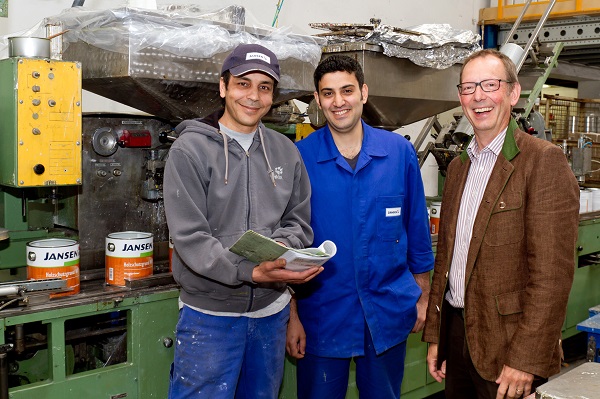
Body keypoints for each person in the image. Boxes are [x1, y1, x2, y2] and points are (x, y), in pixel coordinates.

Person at [164, 43, 322, 399]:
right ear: (223, 87)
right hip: (209, 316)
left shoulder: (285, 151)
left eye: (264, 87)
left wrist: (286, 249)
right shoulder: (190, 150)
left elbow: (298, 220)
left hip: (271, 313)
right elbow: (190, 237)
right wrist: (249, 271)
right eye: (243, 84)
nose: (253, 96)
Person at [422, 49, 580, 399]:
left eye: (489, 85)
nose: (478, 96)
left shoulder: (542, 161)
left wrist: (526, 358)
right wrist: (437, 336)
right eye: (468, 87)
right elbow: (446, 259)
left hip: (509, 346)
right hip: (458, 336)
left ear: (512, 93)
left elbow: (552, 276)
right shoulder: (460, 167)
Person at [287, 54, 435, 399]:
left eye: (347, 90)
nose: (339, 102)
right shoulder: (301, 157)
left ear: (364, 93)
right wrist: (290, 315)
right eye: (328, 94)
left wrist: (424, 297)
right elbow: (288, 242)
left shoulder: (398, 152)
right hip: (322, 314)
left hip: (387, 309)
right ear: (318, 100)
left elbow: (417, 229)